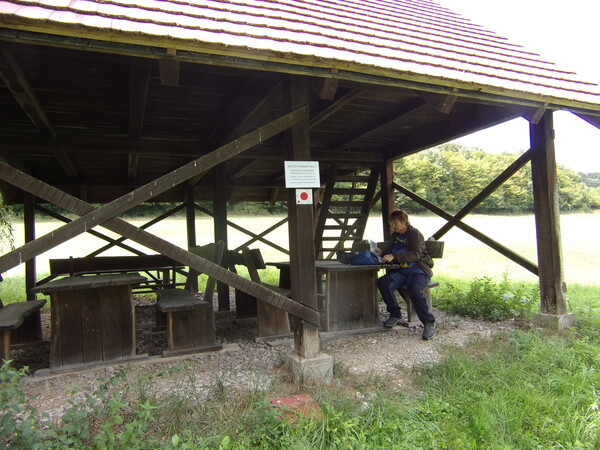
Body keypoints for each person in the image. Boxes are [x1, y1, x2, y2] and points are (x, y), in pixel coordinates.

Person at [377, 209, 436, 340]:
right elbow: (391, 251)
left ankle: (429, 323)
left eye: (396, 223)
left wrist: (394, 256)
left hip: (418, 271)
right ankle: (396, 314)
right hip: (402, 272)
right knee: (383, 282)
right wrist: (382, 253)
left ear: (404, 221)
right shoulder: (396, 235)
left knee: (414, 290)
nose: (393, 226)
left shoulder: (415, 234)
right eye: (391, 223)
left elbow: (416, 255)